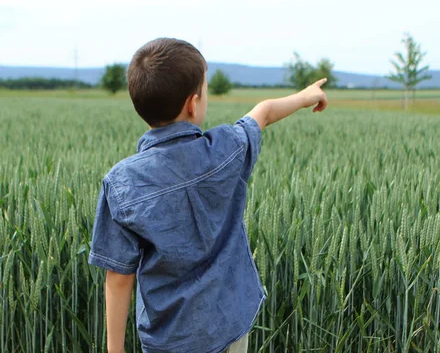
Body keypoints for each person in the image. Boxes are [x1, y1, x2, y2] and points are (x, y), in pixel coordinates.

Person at [88, 37, 328, 353]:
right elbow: (264, 112)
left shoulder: (121, 183)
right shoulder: (226, 148)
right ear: (193, 102)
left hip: (171, 338)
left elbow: (118, 276)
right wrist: (304, 95)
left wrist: (115, 350)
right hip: (229, 324)